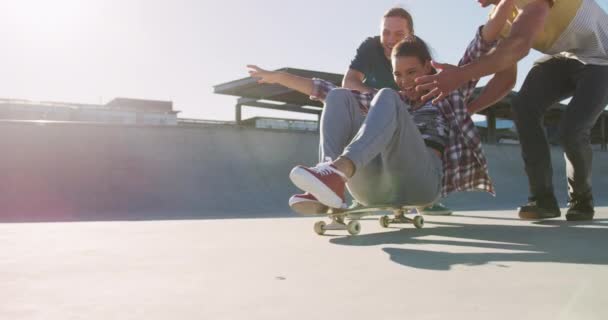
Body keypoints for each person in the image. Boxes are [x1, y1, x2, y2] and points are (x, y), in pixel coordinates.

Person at [247, 0, 516, 214]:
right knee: (341, 95)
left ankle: (338, 172)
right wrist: (277, 76)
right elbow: (321, 89)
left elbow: (481, 43)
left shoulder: (448, 90)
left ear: (427, 67)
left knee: (386, 96)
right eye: (399, 75)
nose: (405, 81)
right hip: (375, 188)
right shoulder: (393, 101)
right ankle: (329, 182)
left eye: (412, 73)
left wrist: (506, 4)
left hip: (422, 186)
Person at [415, 0, 608, 221]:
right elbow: (506, 78)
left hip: (603, 59)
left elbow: (520, 43)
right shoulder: (501, 20)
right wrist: (469, 110)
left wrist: (460, 74)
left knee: (571, 131)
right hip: (567, 56)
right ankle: (542, 199)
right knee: (524, 105)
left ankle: (581, 200)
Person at [345, 6, 452, 215]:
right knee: (341, 98)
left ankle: (427, 198)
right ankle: (342, 184)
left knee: (424, 129)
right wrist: (380, 99)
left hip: (411, 124)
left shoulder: (418, 54)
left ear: (410, 37)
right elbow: (348, 82)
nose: (390, 39)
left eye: (398, 34)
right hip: (377, 113)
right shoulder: (370, 47)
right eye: (385, 32)